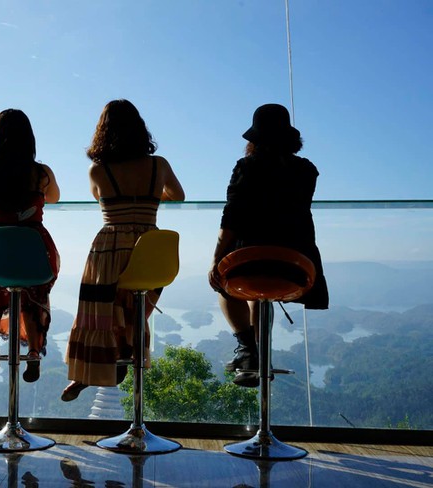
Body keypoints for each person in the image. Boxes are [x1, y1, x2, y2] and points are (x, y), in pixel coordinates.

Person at [62, 99, 185, 401]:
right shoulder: (159, 165)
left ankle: (89, 370)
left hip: (110, 246)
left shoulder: (97, 170)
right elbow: (178, 195)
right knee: (136, 305)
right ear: (140, 129)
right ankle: (128, 352)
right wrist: (150, 198)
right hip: (150, 249)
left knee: (97, 311)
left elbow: (99, 199)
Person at [208, 103, 329, 388]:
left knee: (223, 283)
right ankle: (259, 354)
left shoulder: (247, 167)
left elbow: (231, 218)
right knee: (262, 293)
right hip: (296, 265)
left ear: (254, 139)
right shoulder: (307, 170)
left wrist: (215, 260)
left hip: (250, 261)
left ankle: (248, 349)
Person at [0, 109, 60, 383]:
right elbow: (54, 198)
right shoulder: (41, 173)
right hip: (35, 249)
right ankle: (33, 351)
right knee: (33, 293)